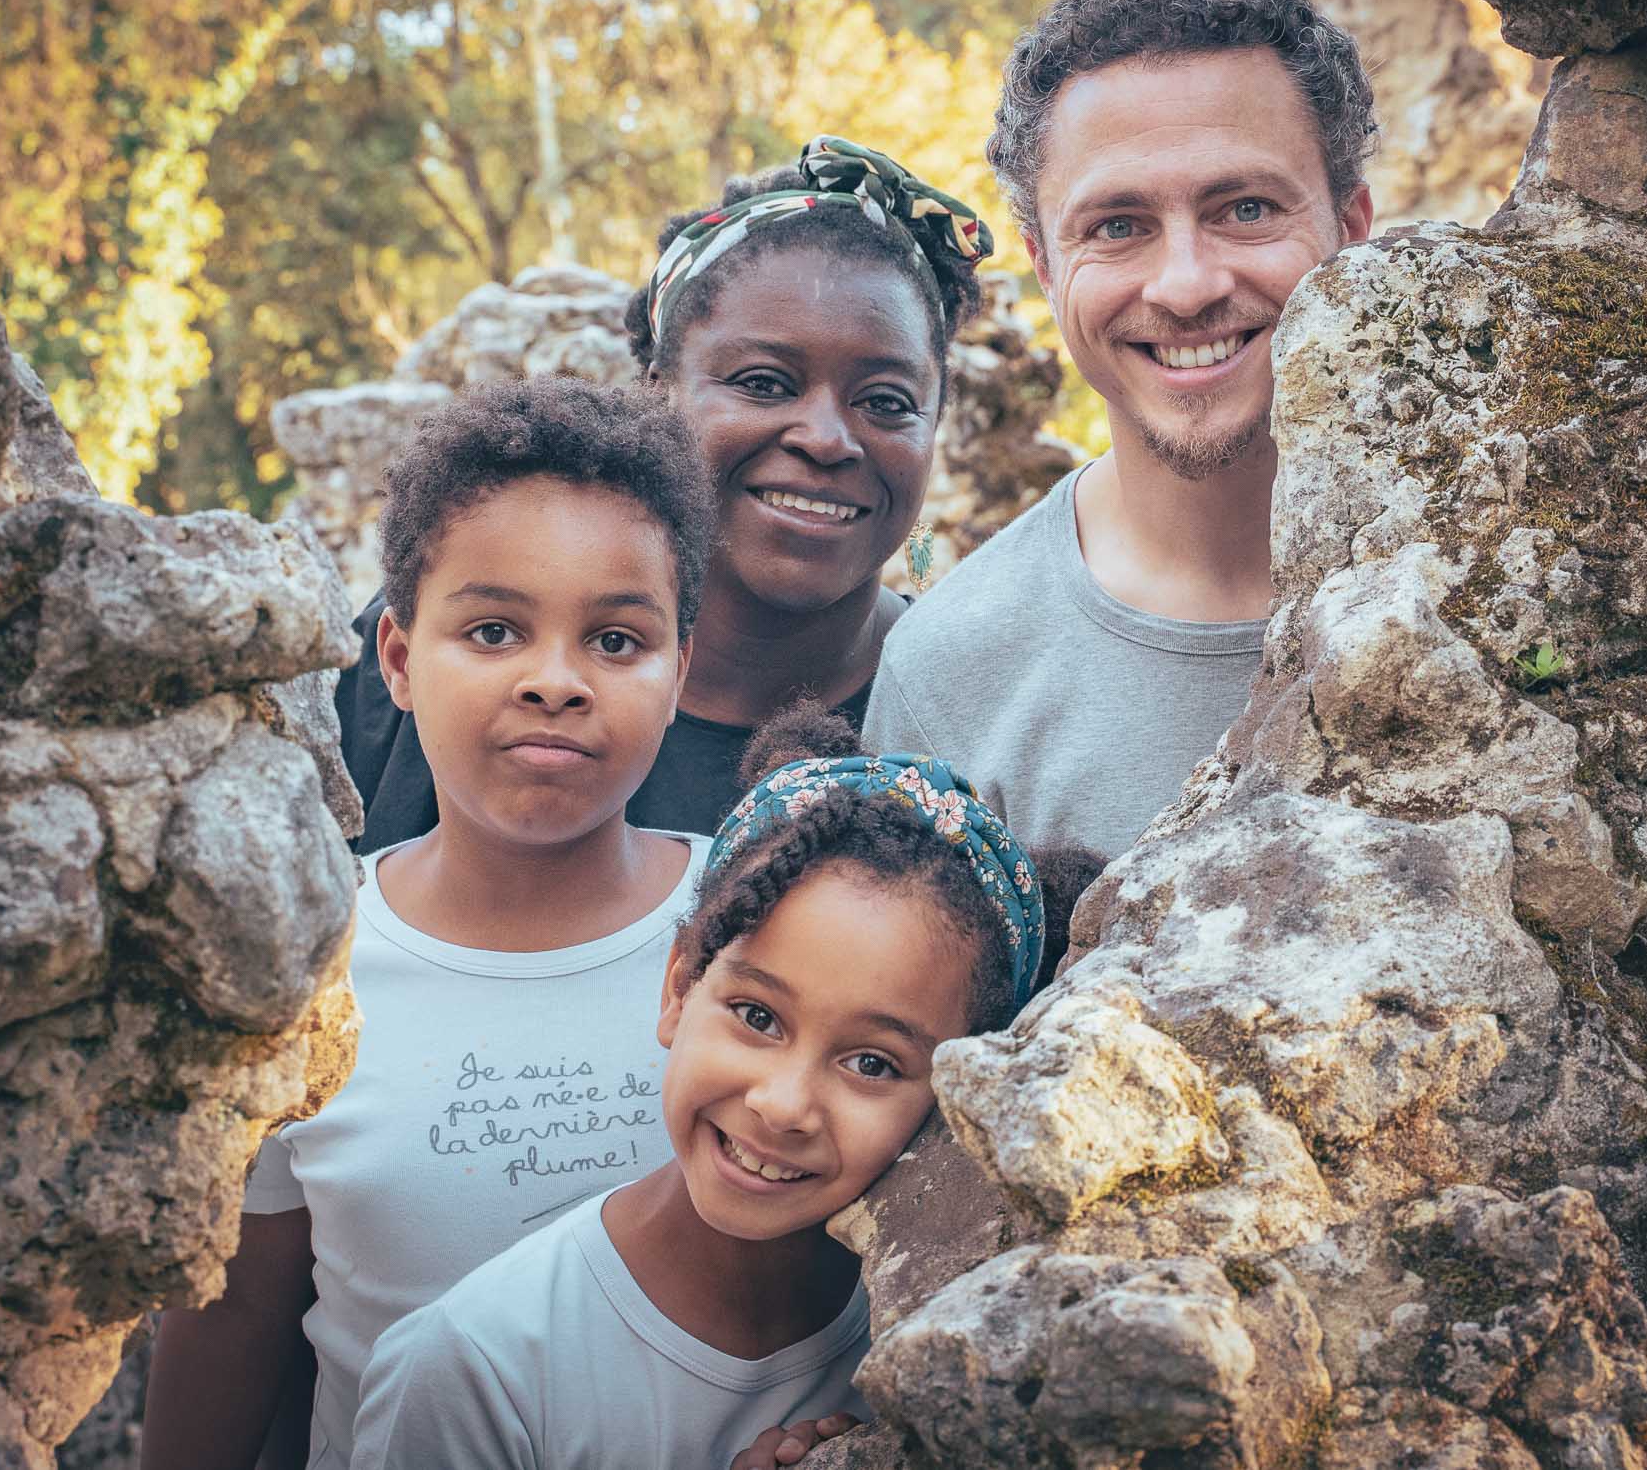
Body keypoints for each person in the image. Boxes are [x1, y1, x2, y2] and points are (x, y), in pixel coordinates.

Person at [141, 378, 719, 1470]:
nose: (555, 680)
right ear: (399, 659)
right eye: (494, 629)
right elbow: (233, 1313)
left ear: (680, 670)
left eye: (616, 639)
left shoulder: (751, 930)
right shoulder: (309, 954)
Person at [349, 706, 1099, 1470]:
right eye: (756, 1015)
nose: (781, 1102)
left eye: (872, 1063)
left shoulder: (971, 1337)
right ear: (680, 985)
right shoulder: (477, 1369)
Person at [862, 0, 1379, 862]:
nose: (1184, 286)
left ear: (1353, 226)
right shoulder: (949, 677)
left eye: (1246, 209)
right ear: (1045, 263)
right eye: (1117, 227)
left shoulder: (1499, 575)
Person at [340, 135, 989, 848]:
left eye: (888, 400)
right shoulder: (430, 659)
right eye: (764, 382)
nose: (828, 438)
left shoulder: (966, 713)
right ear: (658, 393)